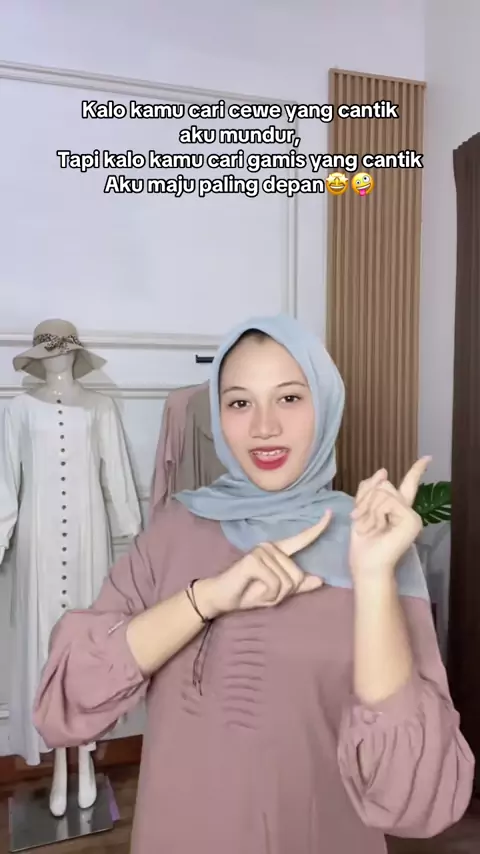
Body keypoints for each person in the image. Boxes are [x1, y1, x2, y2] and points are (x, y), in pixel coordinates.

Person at [33, 315, 475, 854]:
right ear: (218, 416)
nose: (264, 426)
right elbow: (65, 702)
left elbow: (414, 799)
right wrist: (205, 599)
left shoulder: (374, 543)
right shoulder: (174, 531)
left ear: (325, 405)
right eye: (240, 402)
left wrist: (375, 579)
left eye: (289, 398)